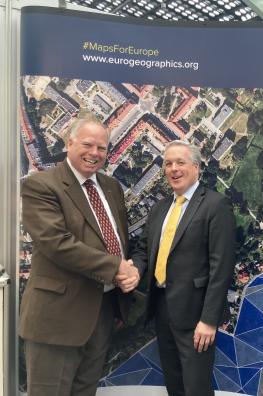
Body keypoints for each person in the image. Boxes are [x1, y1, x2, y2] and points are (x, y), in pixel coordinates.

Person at [20, 114, 140, 396]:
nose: (94, 153)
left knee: (85, 391)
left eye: (102, 148)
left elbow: (117, 241)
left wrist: (128, 270)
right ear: (69, 143)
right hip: (58, 316)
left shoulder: (110, 187)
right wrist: (117, 268)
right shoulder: (41, 186)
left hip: (102, 311)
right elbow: (56, 243)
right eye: (87, 144)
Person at [132, 140, 236, 396]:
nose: (173, 169)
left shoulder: (215, 205)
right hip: (162, 308)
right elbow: (143, 249)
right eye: (168, 163)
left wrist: (209, 320)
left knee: (196, 388)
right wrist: (134, 268)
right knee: (174, 384)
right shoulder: (160, 207)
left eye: (180, 162)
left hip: (196, 316)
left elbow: (221, 267)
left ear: (197, 168)